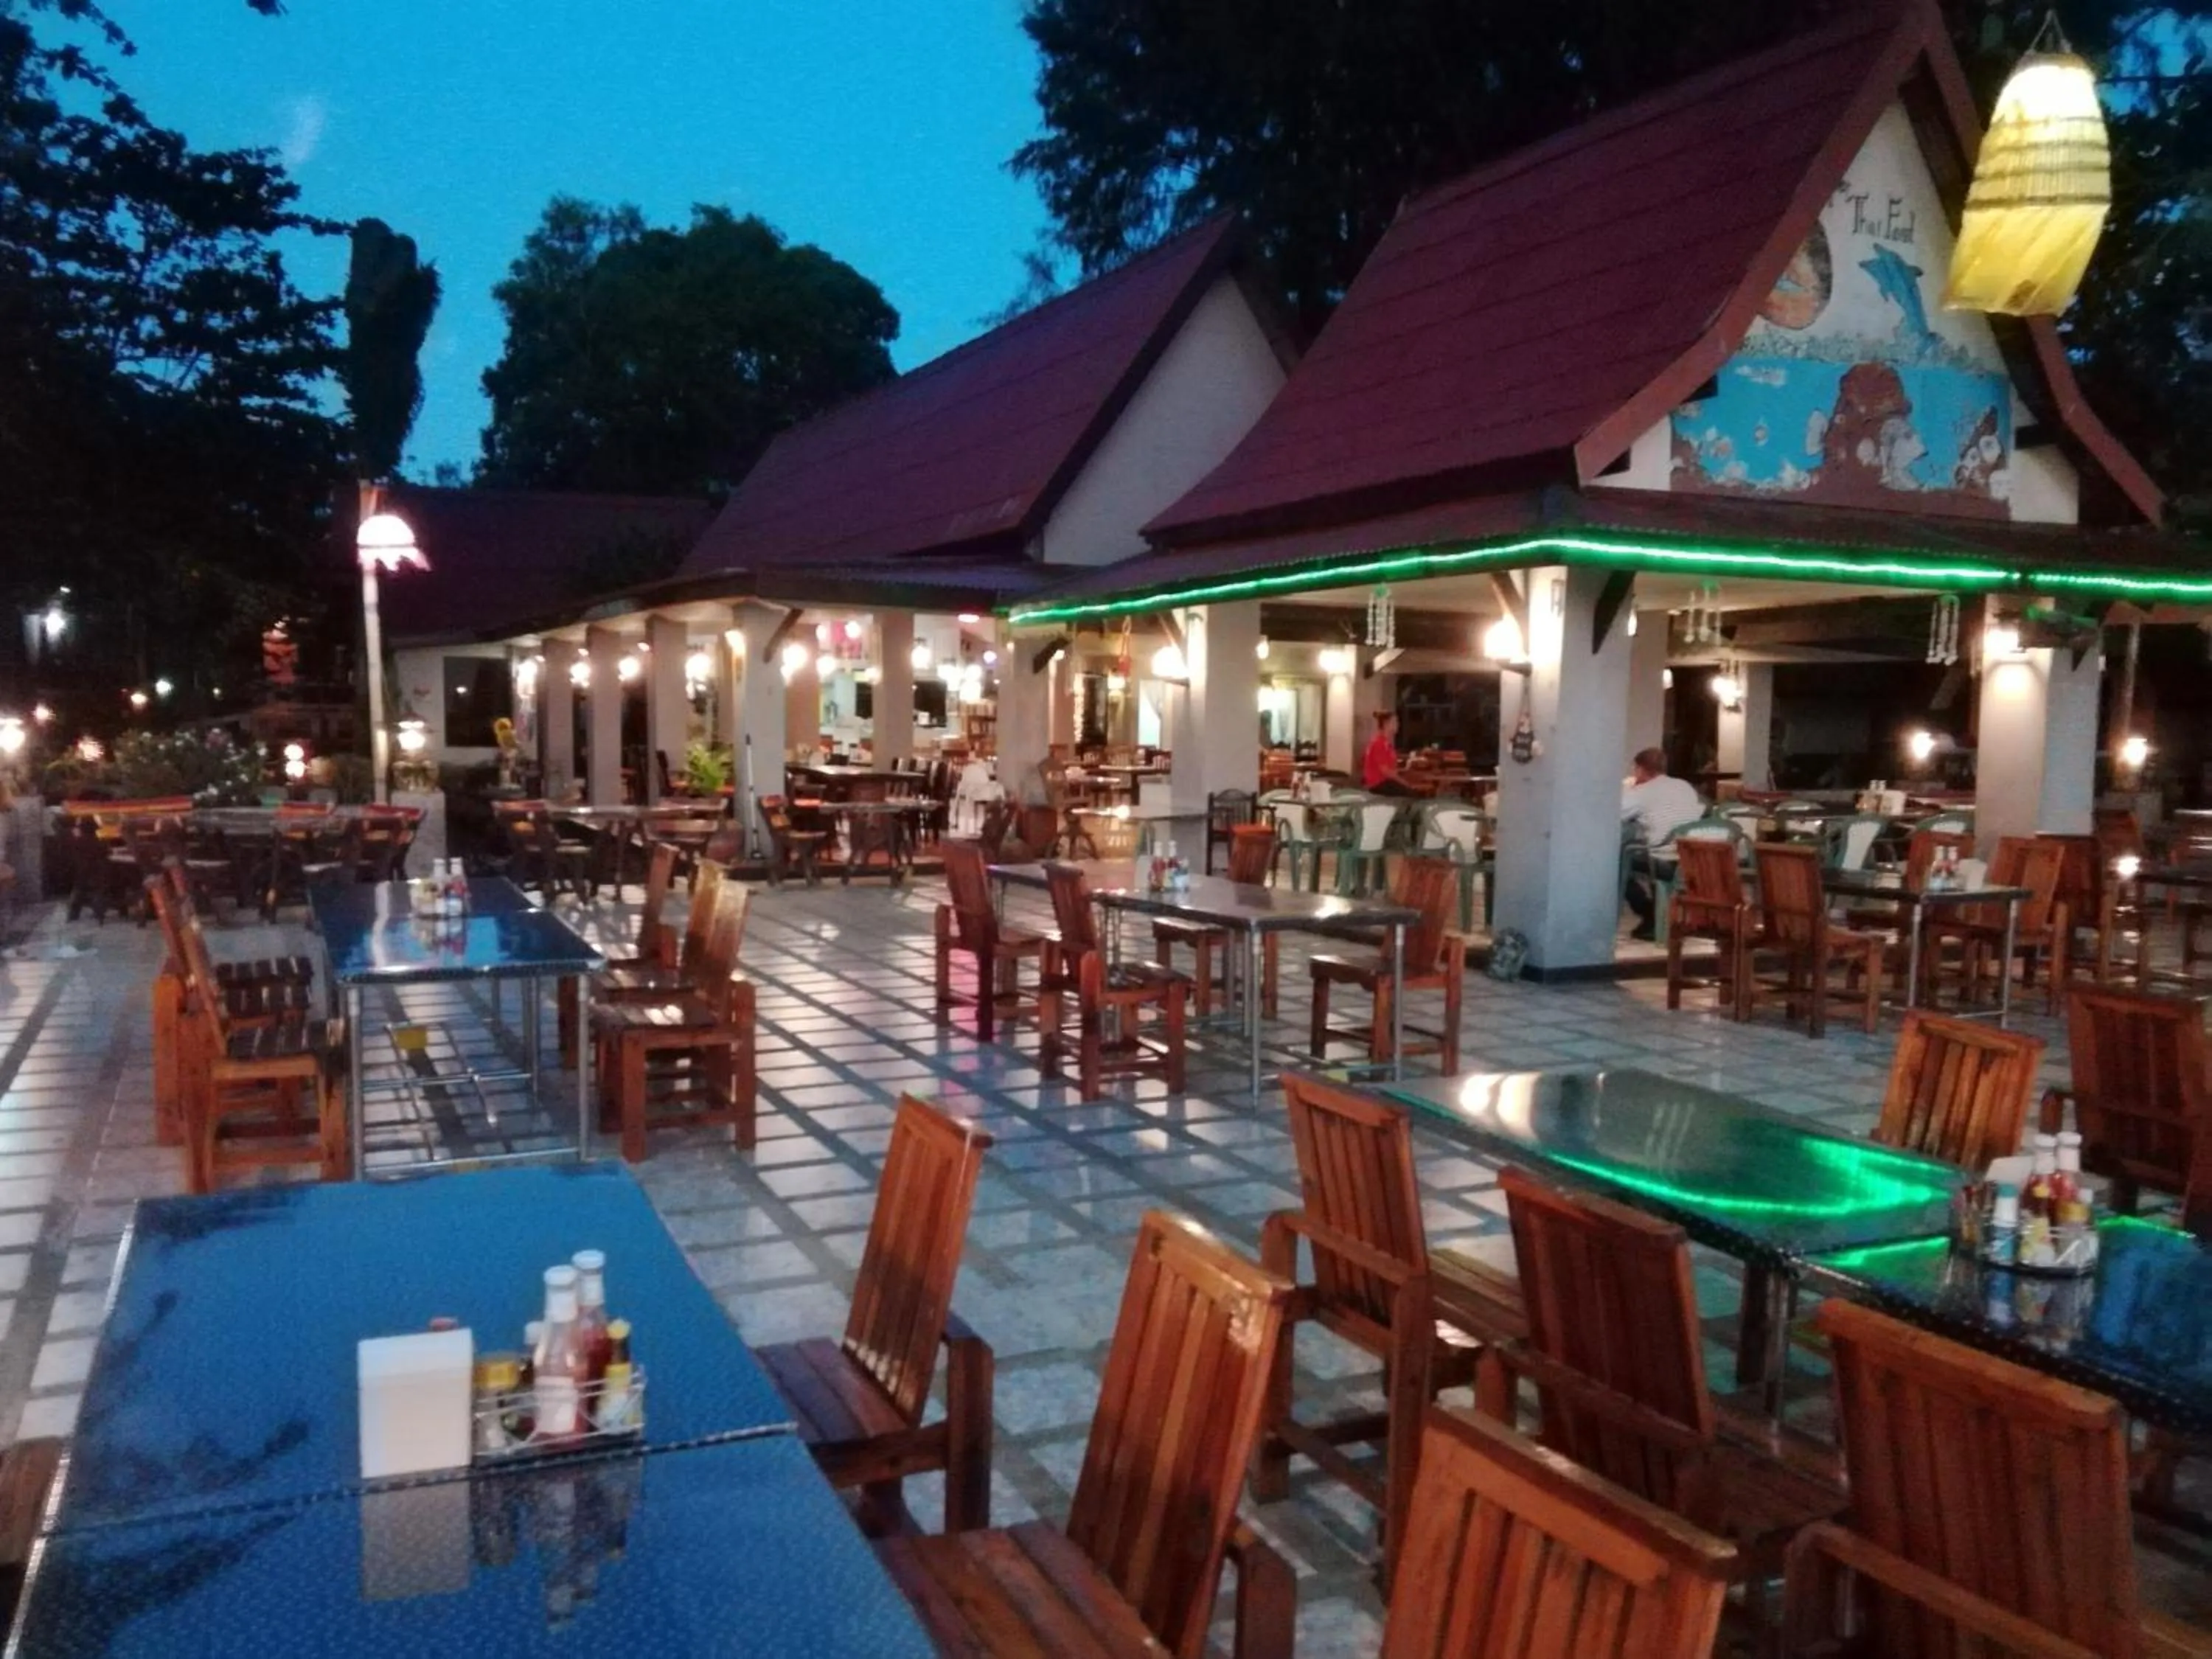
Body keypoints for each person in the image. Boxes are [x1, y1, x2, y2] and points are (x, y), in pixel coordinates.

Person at [1621, 748, 1705, 941]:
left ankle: (1649, 913)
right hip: (1691, 860)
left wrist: (1628, 788)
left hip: (1664, 860)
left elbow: (1616, 813)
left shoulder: (1642, 792)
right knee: (1639, 853)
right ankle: (1659, 916)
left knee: (1613, 863)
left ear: (1640, 769)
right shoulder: (1684, 786)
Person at [1363, 712, 1417, 797]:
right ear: (1386, 724)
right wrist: (1405, 783)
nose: (1398, 725)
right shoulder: (1378, 743)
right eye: (1395, 722)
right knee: (1411, 794)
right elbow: (1386, 771)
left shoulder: (1387, 744)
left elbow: (1391, 768)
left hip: (1386, 781)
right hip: (1378, 784)